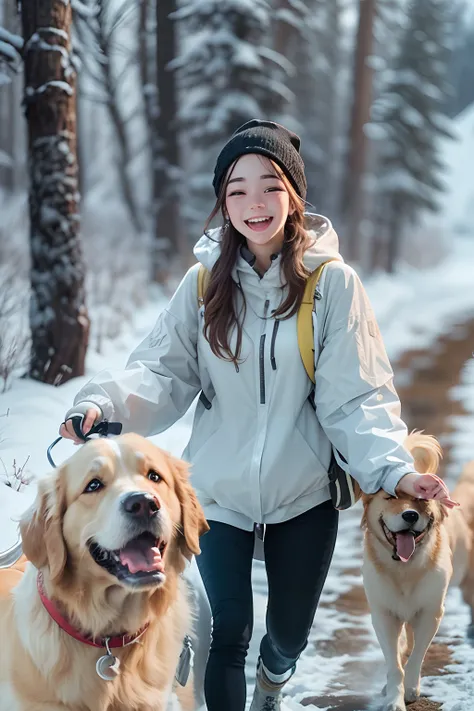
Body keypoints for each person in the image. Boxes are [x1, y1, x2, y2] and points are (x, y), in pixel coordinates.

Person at [60, 119, 458, 711]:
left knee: (287, 637)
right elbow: (162, 373)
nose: (254, 203)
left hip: (304, 495)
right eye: (237, 189)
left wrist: (395, 471)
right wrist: (102, 406)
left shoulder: (333, 288)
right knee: (226, 636)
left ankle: (274, 680)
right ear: (223, 202)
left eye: (269, 185)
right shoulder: (203, 286)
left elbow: (357, 399)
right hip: (217, 493)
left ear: (293, 195)